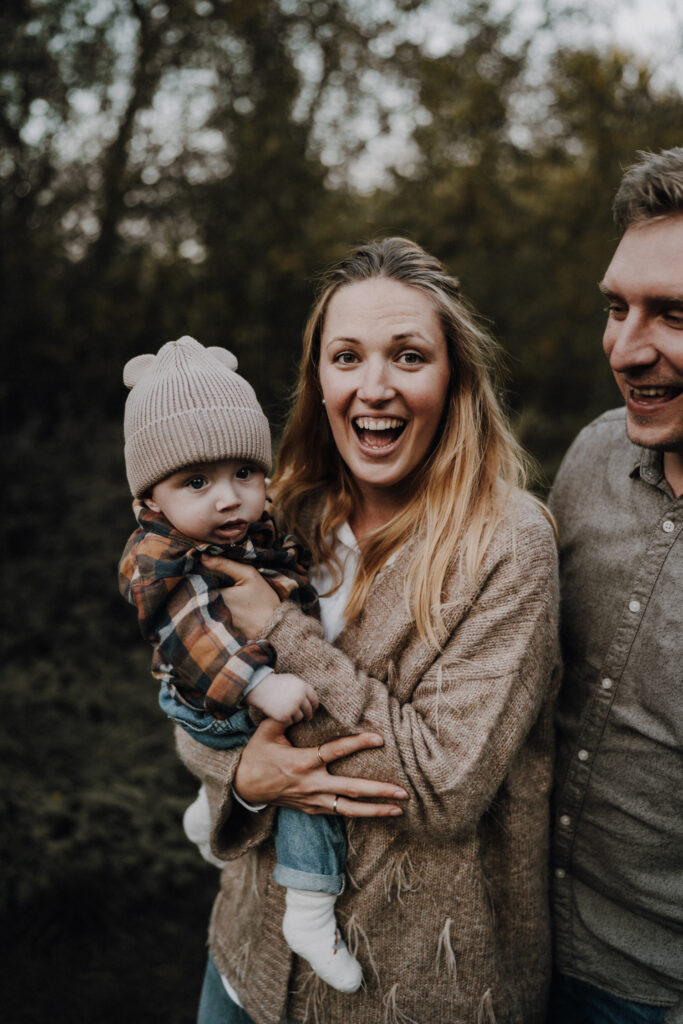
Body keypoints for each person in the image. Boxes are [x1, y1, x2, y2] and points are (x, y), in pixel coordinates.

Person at [174, 237, 561, 1024]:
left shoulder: (507, 544)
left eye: (408, 357)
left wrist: (284, 632)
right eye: (346, 357)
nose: (373, 387)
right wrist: (244, 776)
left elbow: (439, 787)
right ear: (317, 381)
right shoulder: (277, 510)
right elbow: (187, 682)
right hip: (247, 965)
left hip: (411, 992)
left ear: (454, 381)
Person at [118, 335, 364, 992]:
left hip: (224, 690)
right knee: (309, 771)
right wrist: (261, 682)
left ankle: (209, 805)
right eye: (196, 482)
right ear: (151, 498)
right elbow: (192, 630)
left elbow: (283, 562)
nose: (228, 498)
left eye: (244, 474)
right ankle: (310, 908)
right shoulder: (163, 559)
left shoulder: (238, 527)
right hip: (213, 692)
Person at [548, 148, 683, 1024]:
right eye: (615, 307)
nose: (624, 349)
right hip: (523, 949)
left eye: (671, 314)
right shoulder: (595, 453)